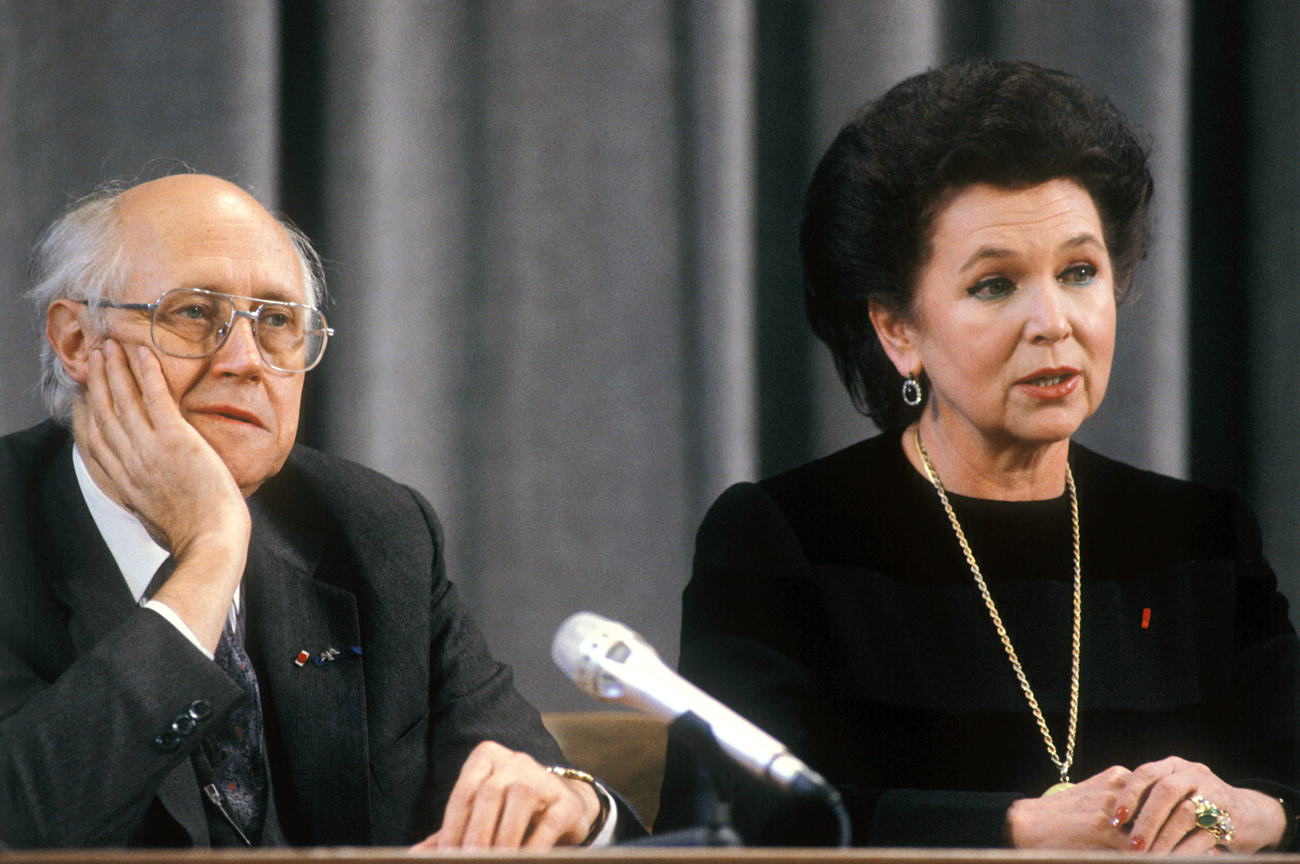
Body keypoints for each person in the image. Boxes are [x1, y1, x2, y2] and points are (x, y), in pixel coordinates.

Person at [655, 59, 1300, 852]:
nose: (1054, 322)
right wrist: (1015, 829)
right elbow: (720, 818)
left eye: (1079, 272)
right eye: (995, 284)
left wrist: (1258, 811)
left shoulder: (1201, 538)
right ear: (898, 330)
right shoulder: (785, 537)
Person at [0, 173, 638, 849]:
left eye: (276, 321)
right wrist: (212, 550)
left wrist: (576, 806)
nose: (244, 360)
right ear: (75, 343)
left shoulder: (374, 533)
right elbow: (23, 822)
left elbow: (528, 780)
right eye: (192, 313)